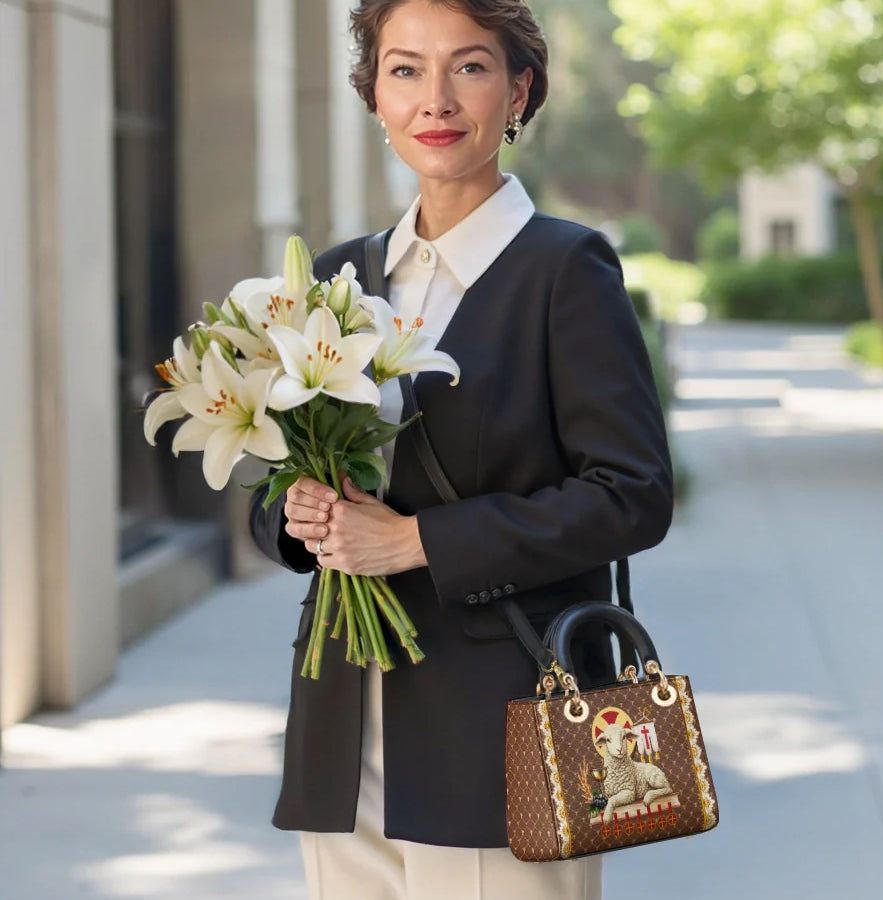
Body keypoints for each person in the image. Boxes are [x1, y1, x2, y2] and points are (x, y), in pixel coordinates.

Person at [249, 1, 673, 897]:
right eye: (405, 69)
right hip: (341, 727)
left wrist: (417, 543)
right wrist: (298, 517)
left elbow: (631, 494)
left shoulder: (565, 270)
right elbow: (277, 477)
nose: (435, 98)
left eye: (468, 67)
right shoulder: (337, 277)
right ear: (374, 96)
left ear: (519, 90)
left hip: (502, 728)